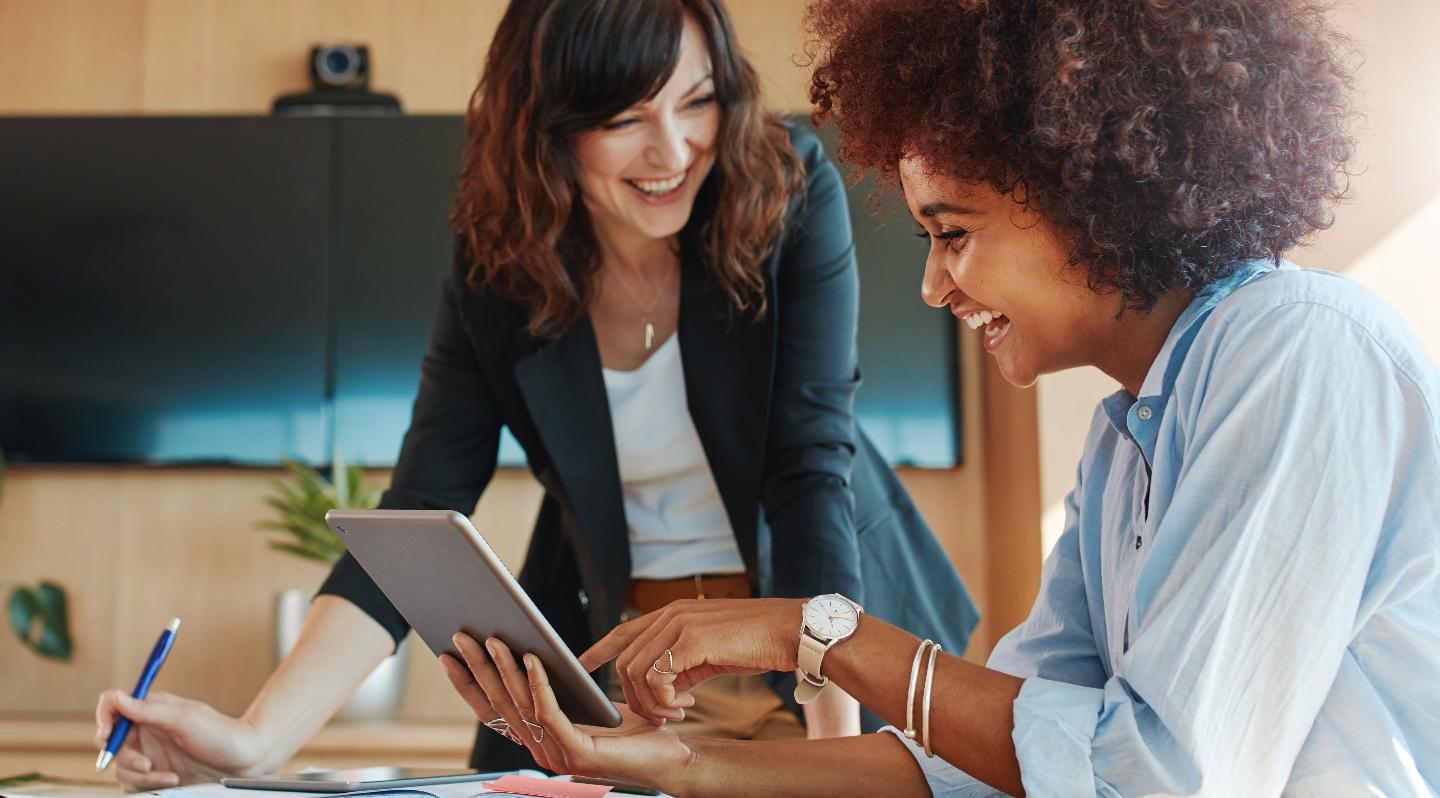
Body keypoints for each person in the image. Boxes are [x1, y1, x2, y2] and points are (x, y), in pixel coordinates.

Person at [440, 0, 1440, 795]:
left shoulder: (1298, 349)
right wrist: (671, 769)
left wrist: (809, 633)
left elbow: (1151, 782)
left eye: (952, 232)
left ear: (1085, 190)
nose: (933, 285)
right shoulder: (1125, 441)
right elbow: (1001, 765)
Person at [92, 0, 978, 789]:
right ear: (549, 126)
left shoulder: (785, 190)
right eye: (626, 117)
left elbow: (807, 466)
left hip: (821, 648)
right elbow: (421, 509)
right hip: (632, 673)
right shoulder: (501, 265)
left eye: (697, 100)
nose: (673, 150)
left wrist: (837, 752)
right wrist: (252, 743)